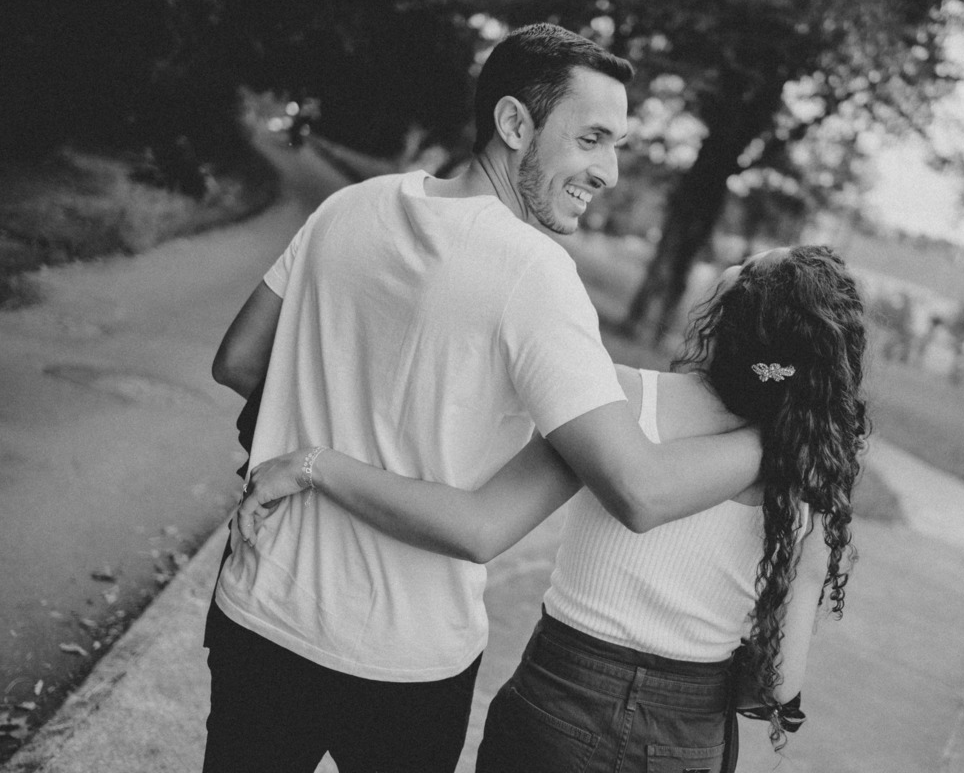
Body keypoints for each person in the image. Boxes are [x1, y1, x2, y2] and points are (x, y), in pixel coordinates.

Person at [202, 23, 760, 773]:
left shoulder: (351, 206)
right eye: (591, 139)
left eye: (616, 146)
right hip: (401, 658)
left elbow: (238, 361)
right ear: (514, 124)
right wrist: (781, 434)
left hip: (259, 610)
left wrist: (327, 423)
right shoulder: (536, 273)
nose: (608, 171)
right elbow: (639, 490)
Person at [239, 244, 868, 772]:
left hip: (562, 700)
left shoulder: (619, 401)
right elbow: (778, 684)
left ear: (727, 311)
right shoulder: (809, 479)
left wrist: (316, 464)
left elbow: (481, 523)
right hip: (689, 732)